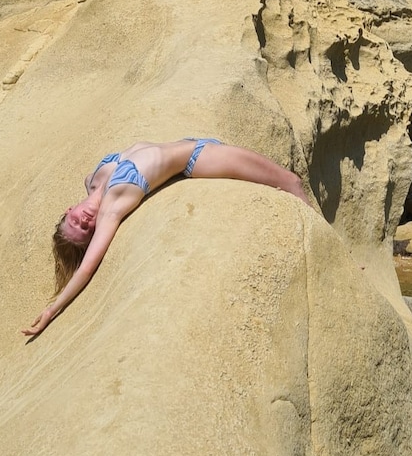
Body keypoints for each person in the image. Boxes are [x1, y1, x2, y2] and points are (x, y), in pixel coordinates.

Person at [23, 138, 310, 336]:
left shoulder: (93, 181)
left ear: (69, 209)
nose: (83, 220)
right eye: (86, 229)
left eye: (74, 220)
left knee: (288, 181)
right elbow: (86, 269)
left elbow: (88, 179)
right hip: (198, 157)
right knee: (290, 182)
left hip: (189, 143)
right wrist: (52, 309)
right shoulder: (112, 207)